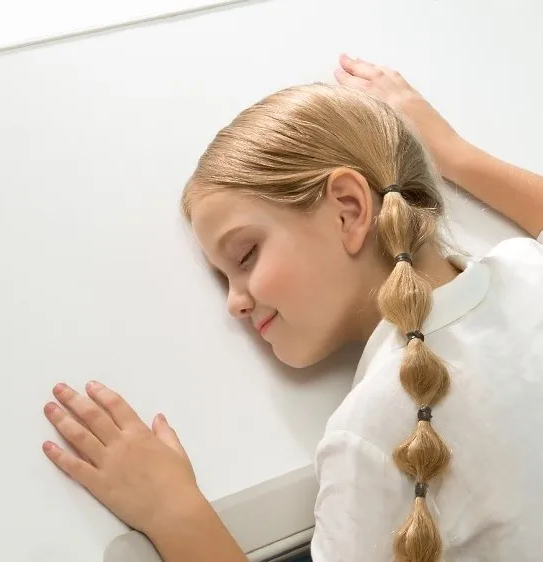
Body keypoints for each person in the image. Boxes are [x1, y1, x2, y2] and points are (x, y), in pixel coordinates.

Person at [41, 54, 543, 562]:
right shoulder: (525, 267)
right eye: (223, 279)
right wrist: (453, 153)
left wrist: (173, 512)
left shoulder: (369, 437)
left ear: (348, 209)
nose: (234, 303)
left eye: (245, 255)